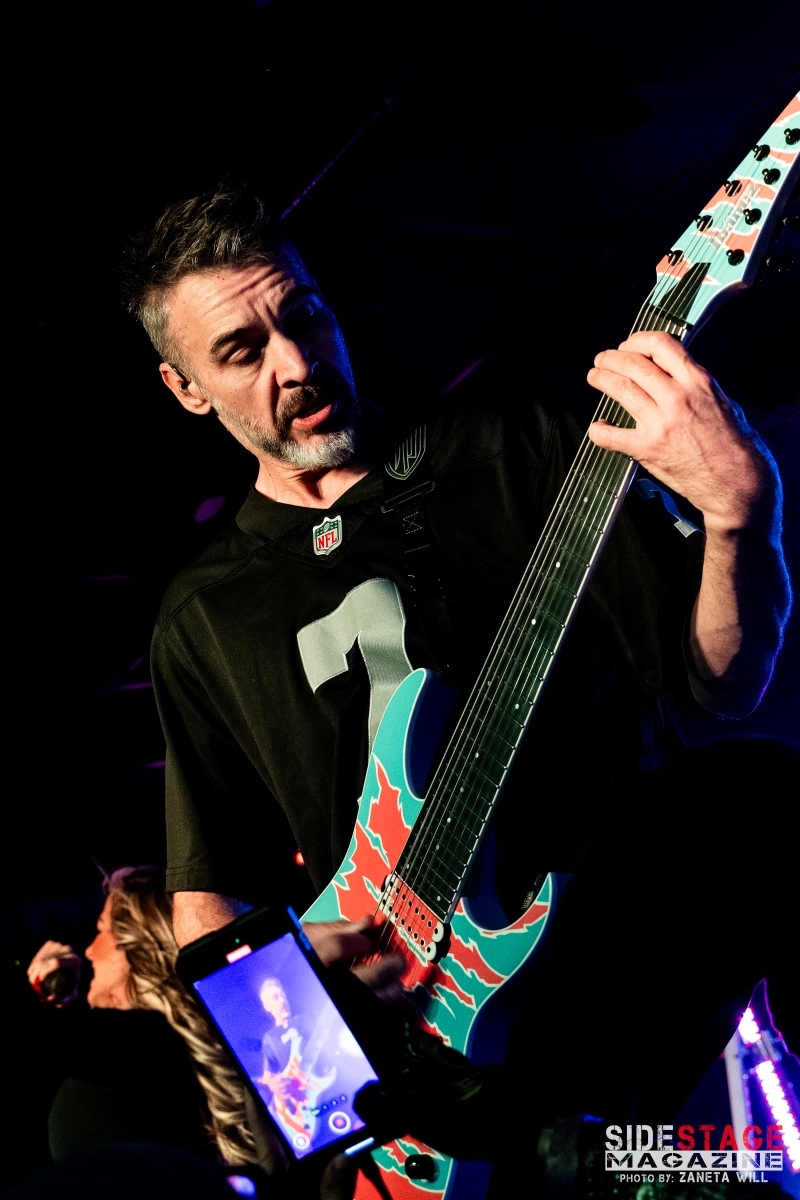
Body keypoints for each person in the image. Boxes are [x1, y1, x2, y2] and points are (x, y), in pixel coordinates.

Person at [121, 183, 795, 1138]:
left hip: (631, 976)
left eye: (303, 315)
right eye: (241, 351)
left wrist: (741, 514)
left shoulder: (511, 445)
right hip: (423, 1075)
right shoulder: (202, 617)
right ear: (186, 387)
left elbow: (725, 682)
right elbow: (206, 902)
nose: (298, 363)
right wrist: (319, 1082)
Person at [25, 867, 257, 1166]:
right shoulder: (169, 1044)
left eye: (101, 930)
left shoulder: (147, 1039)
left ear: (140, 944)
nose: (89, 951)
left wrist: (34, 990)